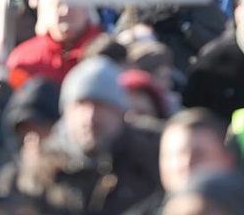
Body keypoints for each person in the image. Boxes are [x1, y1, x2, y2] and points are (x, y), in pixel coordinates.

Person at [17, 57, 160, 214]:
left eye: (101, 105)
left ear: (120, 112)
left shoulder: (149, 164)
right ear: (66, 111)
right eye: (81, 104)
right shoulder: (40, 175)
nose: (90, 117)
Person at [6, 0, 101, 87]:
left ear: (87, 9)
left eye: (73, 3)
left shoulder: (107, 54)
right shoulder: (22, 60)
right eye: (58, 4)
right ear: (45, 10)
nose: (65, 11)